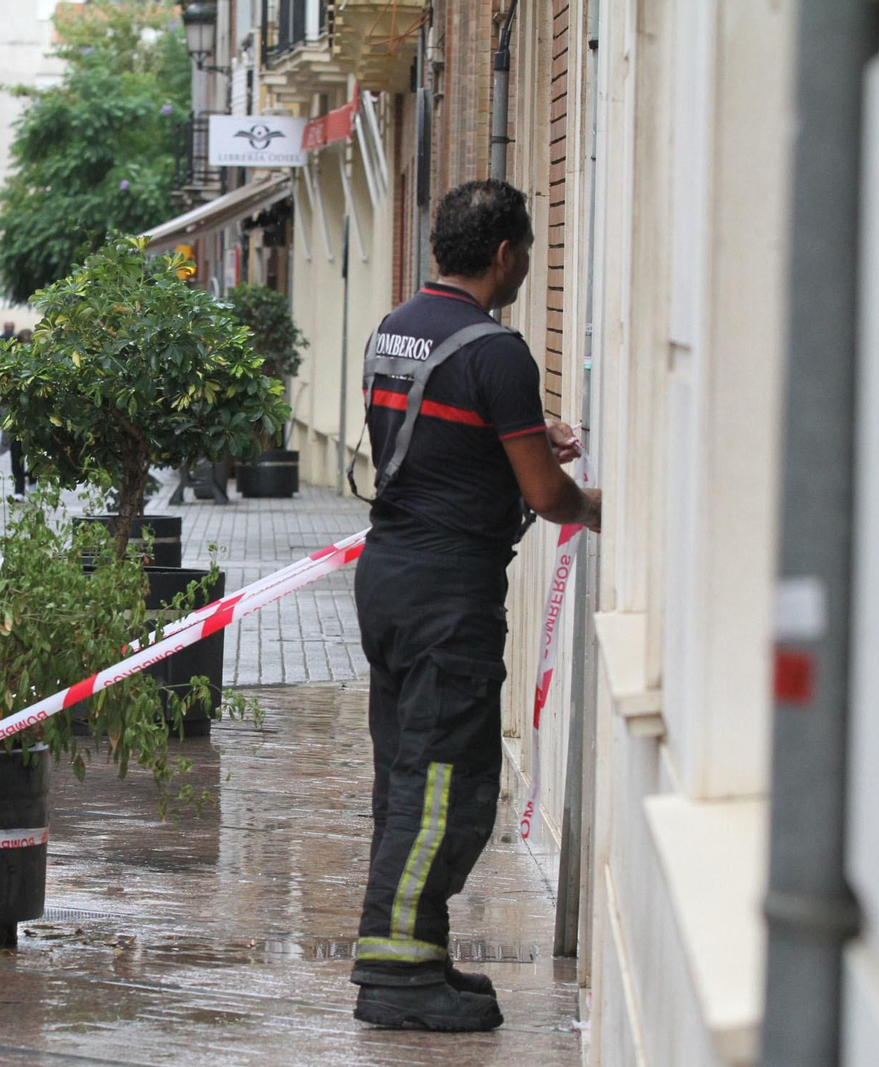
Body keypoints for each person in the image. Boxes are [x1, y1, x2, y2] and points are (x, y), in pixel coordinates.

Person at [348, 179, 600, 1032]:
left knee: (406, 772)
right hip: (449, 589)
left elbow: (441, 442)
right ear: (506, 254)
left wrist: (533, 429)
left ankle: (418, 953)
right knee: (447, 779)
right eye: (527, 252)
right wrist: (598, 505)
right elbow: (546, 493)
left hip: (388, 574)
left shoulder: (396, 328)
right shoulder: (498, 350)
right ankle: (394, 977)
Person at [0, 329, 38, 498]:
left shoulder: (39, 364)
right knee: (16, 452)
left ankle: (32, 479)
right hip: (14, 416)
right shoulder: (10, 365)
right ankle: (19, 489)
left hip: (33, 415)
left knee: (32, 450)